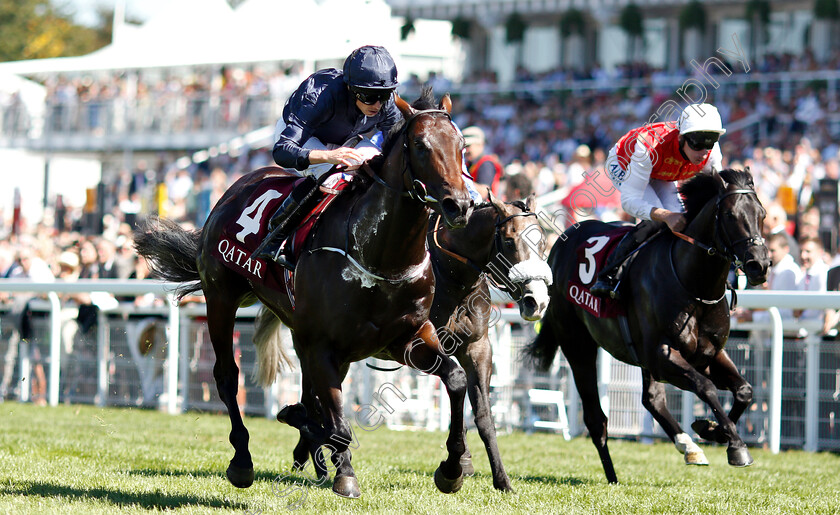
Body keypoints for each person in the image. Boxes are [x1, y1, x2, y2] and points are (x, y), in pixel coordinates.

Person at [257, 45, 403, 268]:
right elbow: (282, 151)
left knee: (376, 168)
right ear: (350, 88)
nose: (377, 105)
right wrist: (328, 156)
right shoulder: (318, 96)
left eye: (383, 96)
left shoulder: (385, 104)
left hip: (346, 137)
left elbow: (399, 143)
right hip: (302, 138)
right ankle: (276, 236)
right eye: (369, 96)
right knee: (332, 175)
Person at [590, 102, 727, 299]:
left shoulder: (710, 152)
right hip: (625, 164)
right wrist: (665, 215)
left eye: (710, 143)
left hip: (663, 171)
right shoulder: (648, 147)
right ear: (681, 138)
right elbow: (629, 201)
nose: (704, 151)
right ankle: (609, 274)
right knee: (657, 221)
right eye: (697, 144)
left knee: (684, 223)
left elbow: (717, 194)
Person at [462, 126, 503, 198]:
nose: (466, 150)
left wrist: (461, 181)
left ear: (480, 145)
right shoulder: (469, 164)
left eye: (468, 146)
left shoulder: (486, 164)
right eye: (463, 147)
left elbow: (484, 192)